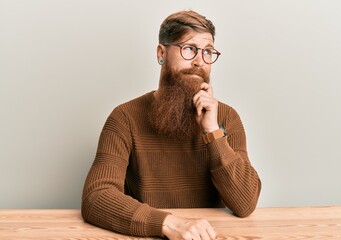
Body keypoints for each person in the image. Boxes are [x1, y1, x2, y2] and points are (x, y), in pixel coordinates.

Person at [81, 10, 261, 240]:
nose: (199, 61)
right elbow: (96, 196)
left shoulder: (225, 118)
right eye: (189, 49)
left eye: (208, 52)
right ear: (161, 53)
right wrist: (168, 224)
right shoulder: (124, 118)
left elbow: (245, 203)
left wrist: (212, 132)